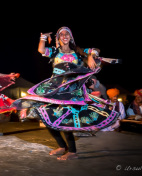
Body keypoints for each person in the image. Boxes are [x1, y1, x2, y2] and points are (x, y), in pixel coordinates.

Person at [13, 26, 119, 161]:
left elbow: (96, 50)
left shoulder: (78, 51)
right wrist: (43, 37)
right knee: (46, 117)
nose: (64, 36)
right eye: (61, 34)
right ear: (58, 38)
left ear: (70, 37)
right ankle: (62, 146)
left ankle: (73, 151)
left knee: (65, 118)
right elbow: (41, 50)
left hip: (71, 90)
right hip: (55, 88)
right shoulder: (55, 51)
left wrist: (91, 56)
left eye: (66, 33)